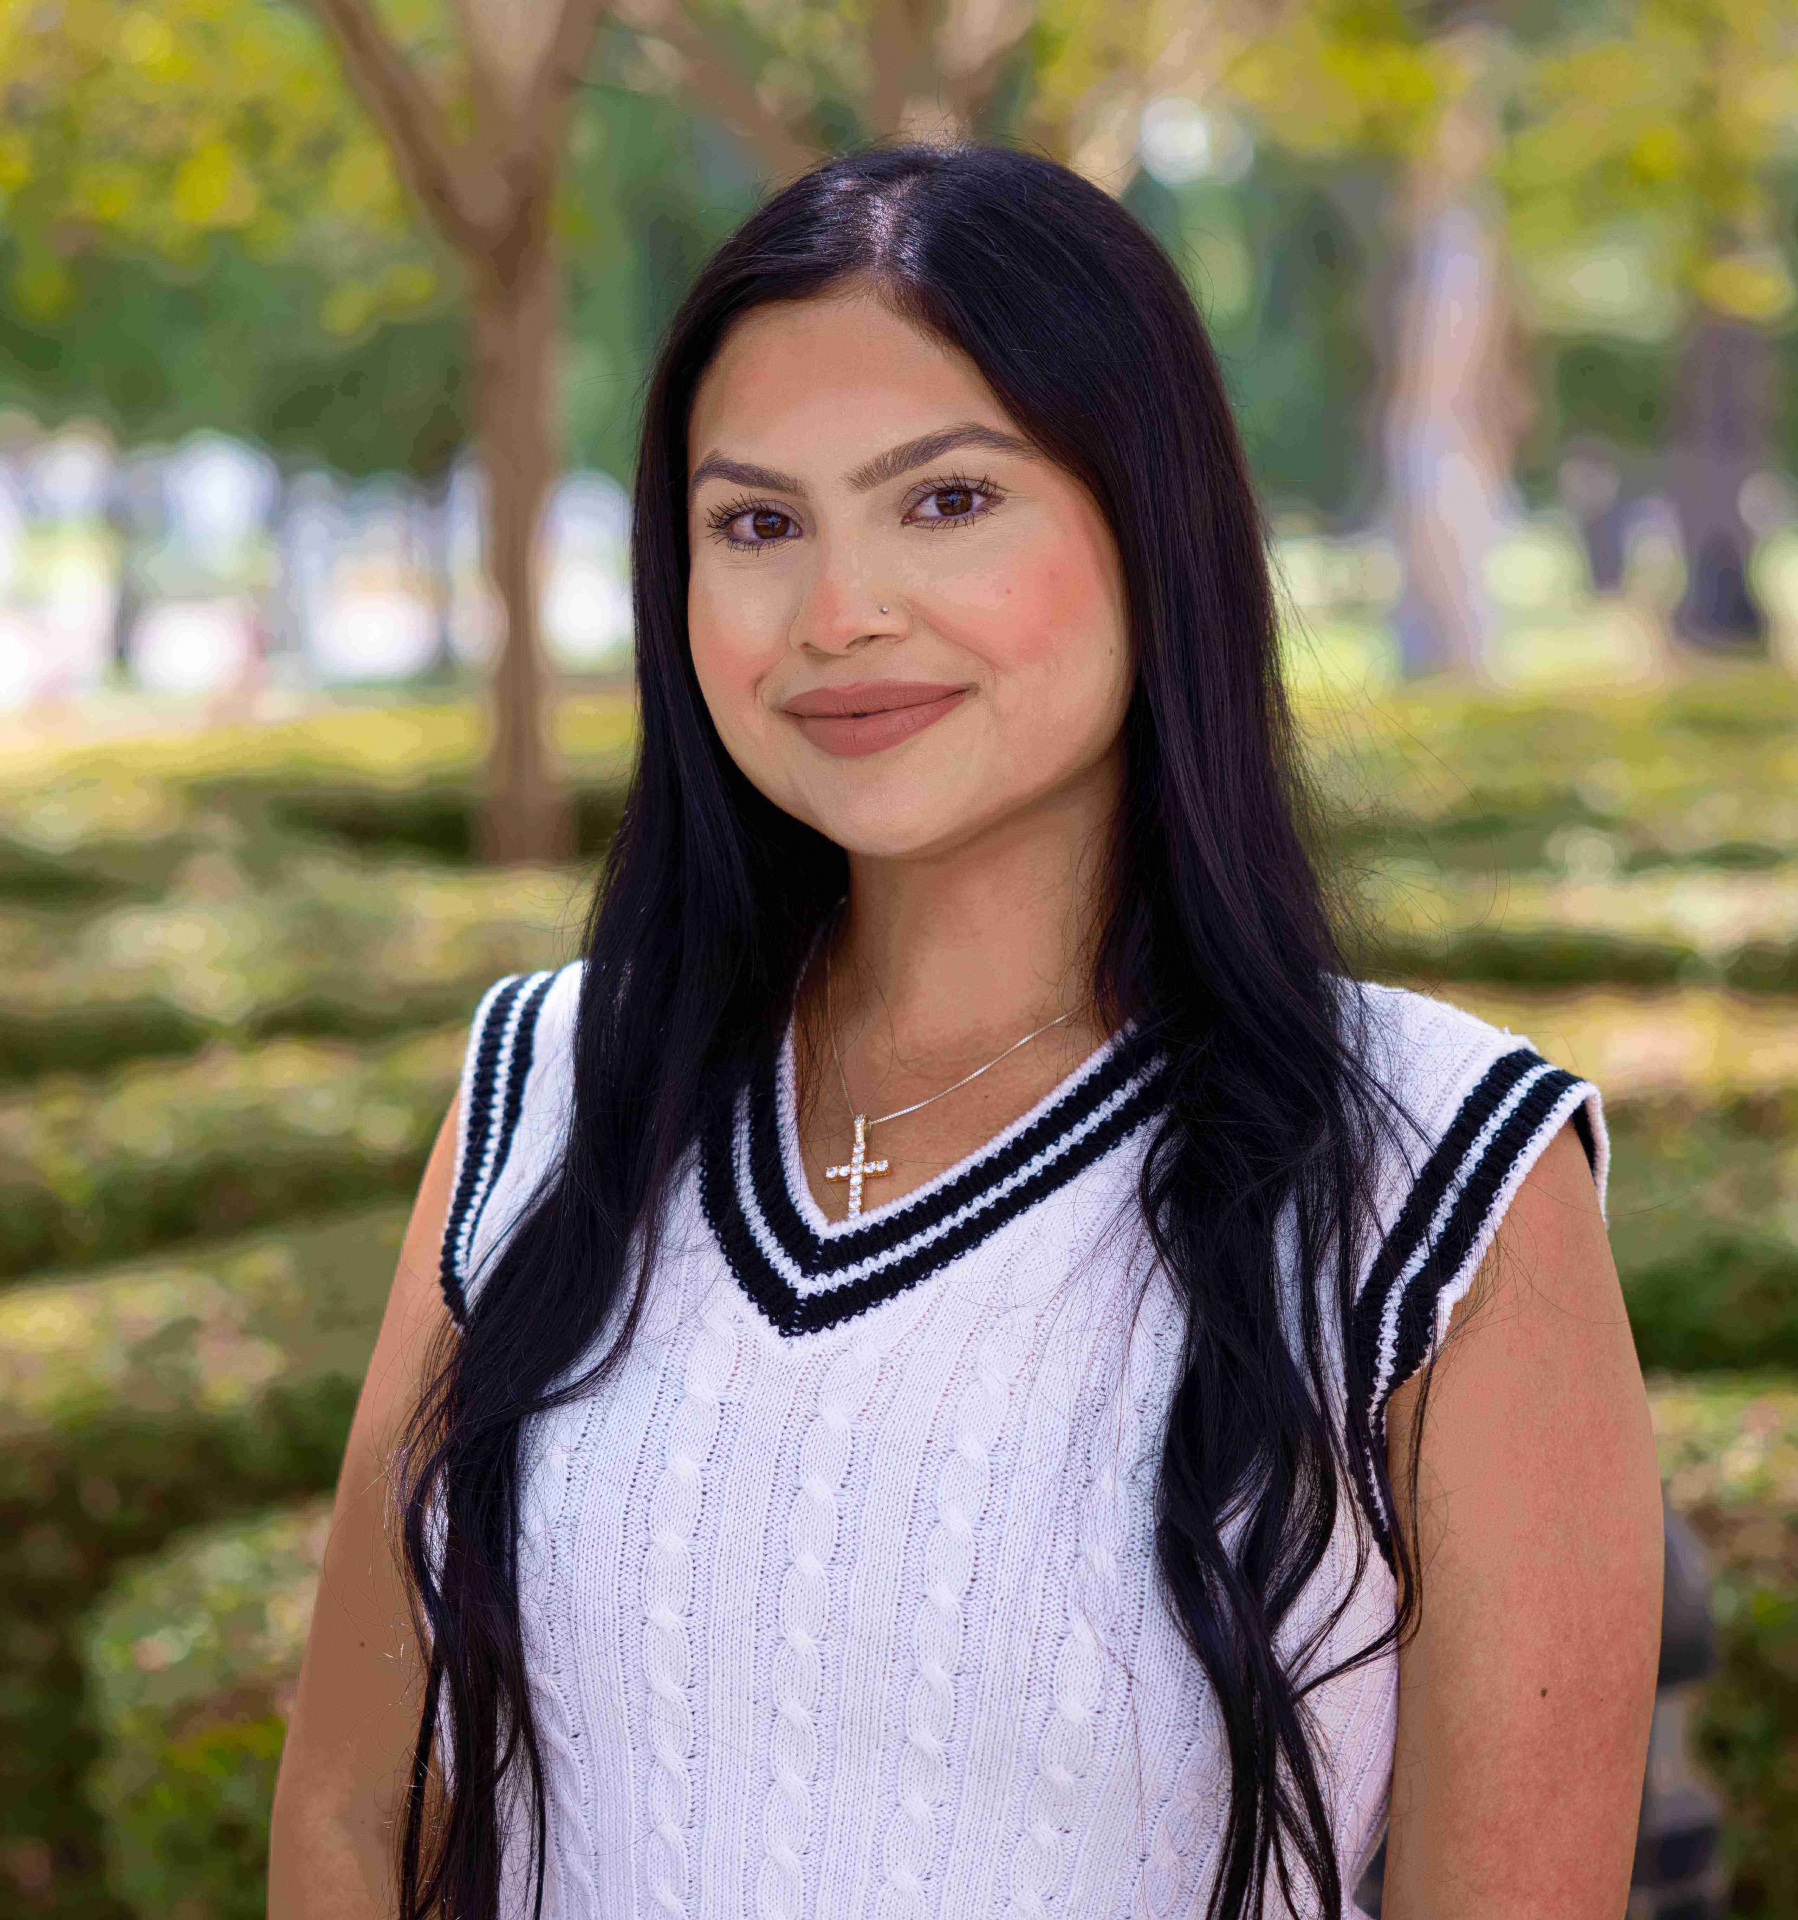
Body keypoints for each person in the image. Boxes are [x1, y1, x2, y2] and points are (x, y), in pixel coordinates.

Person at [269, 144, 1662, 1920]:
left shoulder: (1442, 1180)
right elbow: (343, 1829)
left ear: (1151, 524)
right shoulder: (546, 1088)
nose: (839, 612)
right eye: (757, 525)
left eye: (945, 503)